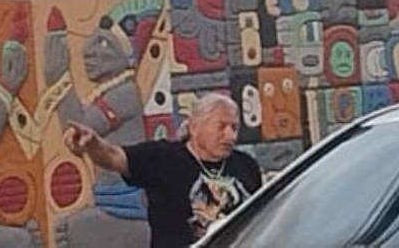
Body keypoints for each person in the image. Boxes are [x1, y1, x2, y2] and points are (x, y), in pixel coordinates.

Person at [65, 92, 262, 248]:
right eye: (221, 126)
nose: (230, 136)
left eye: (234, 128)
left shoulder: (247, 166)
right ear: (195, 127)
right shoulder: (163, 158)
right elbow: (114, 156)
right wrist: (93, 144)